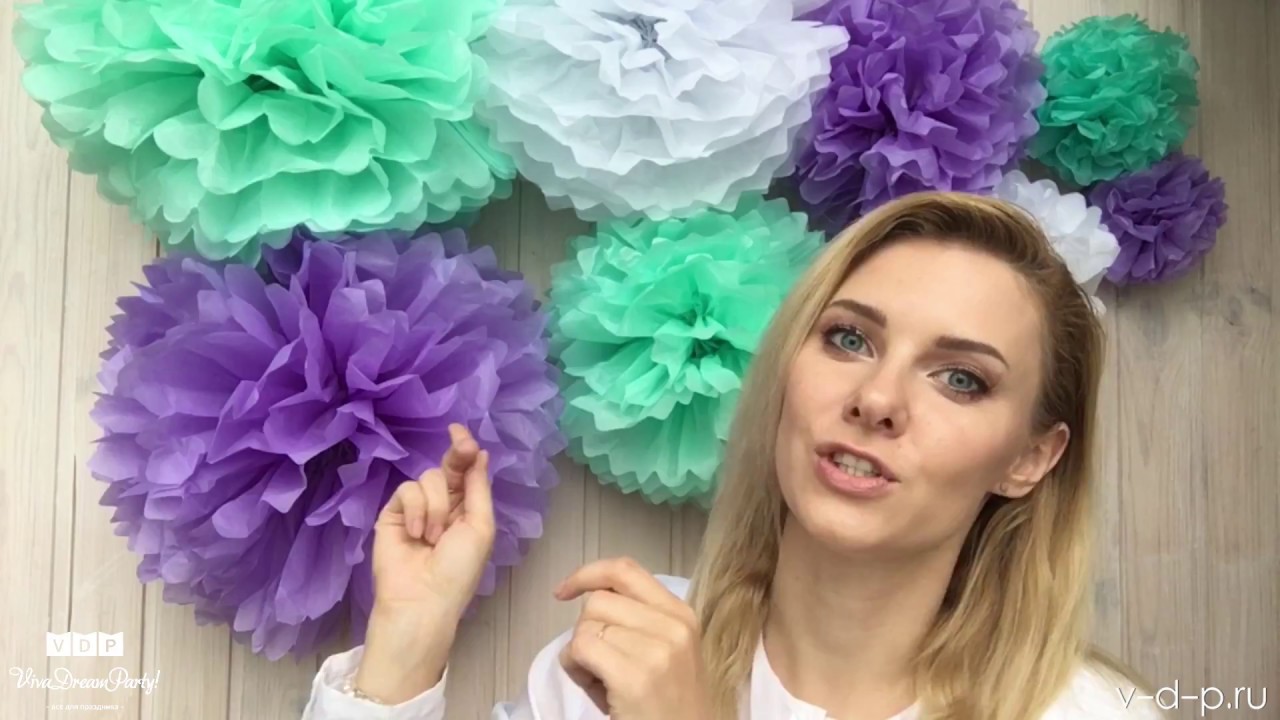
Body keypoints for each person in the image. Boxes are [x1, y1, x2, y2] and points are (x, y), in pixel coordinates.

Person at [301, 192, 1166, 719]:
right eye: (850, 339)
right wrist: (404, 648)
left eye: (961, 379)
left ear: (1030, 458)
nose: (877, 399)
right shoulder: (624, 656)